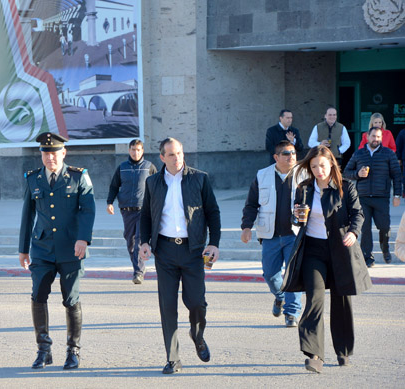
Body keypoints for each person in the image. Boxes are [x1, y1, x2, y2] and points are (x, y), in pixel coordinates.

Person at [282, 145, 372, 373]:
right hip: (313, 250)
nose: (318, 170)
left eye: (322, 165)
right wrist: (296, 216)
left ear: (331, 163)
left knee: (342, 303)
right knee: (314, 300)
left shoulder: (345, 187)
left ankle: (343, 351)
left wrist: (353, 232)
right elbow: (296, 219)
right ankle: (314, 355)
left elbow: (358, 214)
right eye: (313, 166)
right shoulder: (304, 189)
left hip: (340, 248)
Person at [139, 137, 221, 374]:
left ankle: (197, 334)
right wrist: (145, 242)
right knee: (167, 306)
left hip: (193, 250)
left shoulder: (199, 178)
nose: (177, 159)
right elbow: (145, 215)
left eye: (180, 153)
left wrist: (214, 243)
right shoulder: (153, 182)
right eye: (171, 155)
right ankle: (173, 358)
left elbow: (213, 213)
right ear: (162, 158)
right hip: (164, 251)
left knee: (197, 302)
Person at [18, 132, 95, 371]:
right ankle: (43, 350)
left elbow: (87, 210)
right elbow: (27, 214)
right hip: (41, 248)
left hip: (72, 248)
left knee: (70, 299)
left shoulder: (78, 176)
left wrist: (83, 239)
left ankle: (73, 351)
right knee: (38, 296)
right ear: (41, 155)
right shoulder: (33, 179)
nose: (50, 157)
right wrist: (23, 249)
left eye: (54, 153)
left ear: (64, 153)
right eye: (45, 153)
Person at [241, 141, 303, 327]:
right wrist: (246, 227)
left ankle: (291, 313)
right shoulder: (262, 175)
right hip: (270, 236)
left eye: (293, 153)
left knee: (293, 274)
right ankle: (280, 296)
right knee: (270, 274)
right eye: (286, 153)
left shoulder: (304, 174)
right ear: (276, 157)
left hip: (295, 234)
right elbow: (252, 204)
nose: (291, 156)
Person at [343, 127, 402, 266]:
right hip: (362, 197)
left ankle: (385, 248)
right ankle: (367, 258)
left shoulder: (388, 154)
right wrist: (358, 174)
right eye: (374, 136)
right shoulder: (358, 154)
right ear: (367, 137)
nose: (376, 139)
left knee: (384, 227)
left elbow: (397, 175)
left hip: (381, 197)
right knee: (365, 228)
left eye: (378, 137)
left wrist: (397, 195)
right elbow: (346, 172)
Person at [106, 139, 157, 284]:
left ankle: (138, 272)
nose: (136, 152)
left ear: (143, 151)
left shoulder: (149, 167)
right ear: (129, 150)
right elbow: (114, 186)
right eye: (133, 149)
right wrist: (110, 202)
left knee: (138, 242)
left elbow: (158, 187)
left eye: (139, 150)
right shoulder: (122, 168)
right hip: (127, 210)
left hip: (143, 210)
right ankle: (139, 267)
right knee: (130, 241)